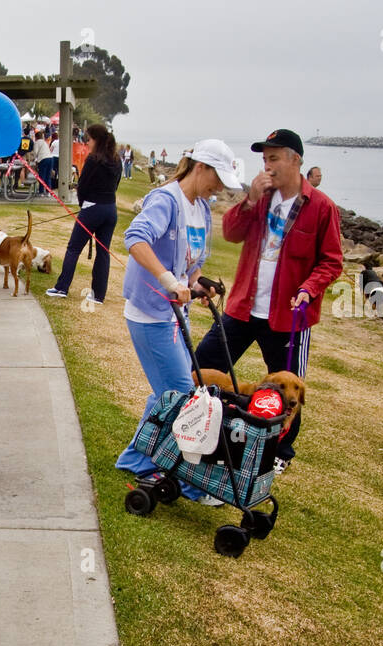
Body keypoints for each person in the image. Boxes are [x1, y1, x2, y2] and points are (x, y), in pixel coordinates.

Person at [192, 129, 344, 477]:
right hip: (244, 306)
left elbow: (332, 261)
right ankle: (200, 426)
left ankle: (280, 453)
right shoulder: (260, 196)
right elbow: (231, 232)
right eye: (264, 160)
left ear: (296, 160)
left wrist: (309, 287)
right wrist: (248, 200)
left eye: (274, 158)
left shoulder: (321, 207)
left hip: (288, 316)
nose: (267, 166)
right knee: (203, 364)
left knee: (290, 392)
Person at [114, 139, 241, 500]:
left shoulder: (201, 208)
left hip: (174, 315)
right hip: (150, 313)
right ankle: (187, 481)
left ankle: (137, 458)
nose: (220, 187)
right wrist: (168, 280)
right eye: (218, 177)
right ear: (200, 167)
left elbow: (191, 264)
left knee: (168, 394)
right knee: (184, 398)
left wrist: (198, 283)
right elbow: (135, 238)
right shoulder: (166, 200)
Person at [46, 124, 123, 305]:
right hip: (110, 209)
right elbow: (116, 184)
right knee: (103, 252)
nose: (86, 143)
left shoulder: (93, 159)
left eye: (88, 139)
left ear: (95, 139)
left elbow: (83, 186)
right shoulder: (116, 160)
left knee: (73, 248)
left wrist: (84, 205)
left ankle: (62, 287)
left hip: (92, 208)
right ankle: (98, 295)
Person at [32, 130, 52, 196]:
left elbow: (35, 152)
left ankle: (41, 191)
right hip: (50, 158)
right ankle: (48, 191)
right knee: (48, 176)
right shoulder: (45, 142)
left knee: (42, 176)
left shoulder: (37, 143)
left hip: (43, 159)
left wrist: (35, 160)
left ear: (36, 137)